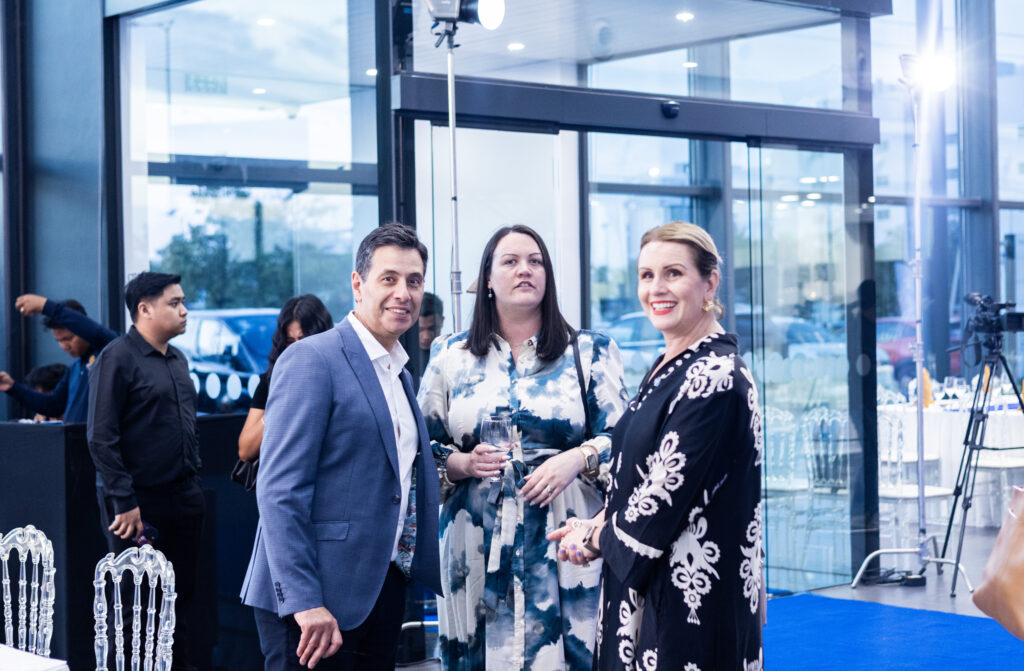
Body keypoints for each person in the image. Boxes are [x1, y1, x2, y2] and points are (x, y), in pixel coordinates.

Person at [548, 222, 764, 670]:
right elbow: (640, 477)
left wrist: (591, 537)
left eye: (673, 273)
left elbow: (660, 502)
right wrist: (598, 522)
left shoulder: (717, 376)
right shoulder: (670, 363)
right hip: (649, 593)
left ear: (710, 283)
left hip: (692, 608)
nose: (656, 289)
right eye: (646, 275)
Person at [417, 224, 628, 670]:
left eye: (535, 261)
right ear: (487, 280)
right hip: (473, 548)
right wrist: (461, 463)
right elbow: (417, 452)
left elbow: (628, 445)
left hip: (566, 546)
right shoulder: (450, 356)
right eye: (510, 261)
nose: (524, 270)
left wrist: (577, 459)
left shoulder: (588, 352)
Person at [241, 223, 443, 670]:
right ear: (358, 284)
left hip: (379, 588)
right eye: (388, 279)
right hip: (313, 602)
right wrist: (304, 600)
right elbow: (280, 490)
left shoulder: (400, 372)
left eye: (414, 281)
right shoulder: (312, 358)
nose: (403, 293)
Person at [87, 272, 203, 671]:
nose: (184, 310)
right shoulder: (116, 357)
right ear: (145, 309)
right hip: (137, 506)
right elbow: (101, 437)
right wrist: (124, 501)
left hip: (184, 498)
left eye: (183, 302)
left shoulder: (178, 359)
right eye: (174, 303)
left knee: (179, 604)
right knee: (135, 610)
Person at [237, 295, 334, 463]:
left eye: (303, 339)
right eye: (290, 341)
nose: (296, 347)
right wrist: (281, 404)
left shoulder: (338, 376)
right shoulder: (273, 380)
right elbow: (246, 450)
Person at [0, 295, 118, 423]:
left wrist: (45, 306)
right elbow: (53, 406)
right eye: (59, 341)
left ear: (82, 330)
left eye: (68, 338)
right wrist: (13, 387)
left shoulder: (109, 352)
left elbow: (96, 333)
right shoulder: (73, 369)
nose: (64, 346)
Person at [417, 292, 444, 363]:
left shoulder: (452, 353)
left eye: (432, 329)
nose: (426, 336)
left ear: (442, 321)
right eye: (420, 329)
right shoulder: (400, 357)